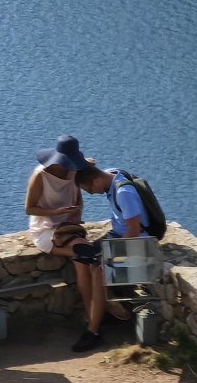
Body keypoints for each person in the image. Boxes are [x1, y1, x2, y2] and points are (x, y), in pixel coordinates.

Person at [69, 165, 154, 353]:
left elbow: (133, 231)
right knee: (86, 257)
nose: (91, 193)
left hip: (139, 246)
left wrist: (108, 253)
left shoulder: (123, 192)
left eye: (89, 189)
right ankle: (106, 313)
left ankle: (94, 332)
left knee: (99, 272)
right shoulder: (112, 174)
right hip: (120, 237)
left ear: (97, 181)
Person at [24, 135, 94, 323]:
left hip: (68, 227)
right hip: (46, 229)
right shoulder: (40, 175)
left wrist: (75, 215)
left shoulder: (73, 171)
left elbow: (79, 197)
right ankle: (95, 313)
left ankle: (93, 314)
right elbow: (29, 208)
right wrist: (58, 211)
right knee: (85, 257)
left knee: (84, 260)